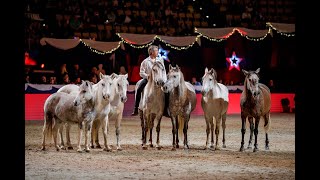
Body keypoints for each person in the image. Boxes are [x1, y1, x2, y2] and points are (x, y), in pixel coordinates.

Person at [132, 45, 169, 117]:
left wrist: (164, 80)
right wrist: (147, 76)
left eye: (157, 50)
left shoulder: (160, 60)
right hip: (148, 80)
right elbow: (141, 73)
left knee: (167, 91)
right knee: (139, 89)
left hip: (160, 79)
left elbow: (163, 71)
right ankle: (136, 108)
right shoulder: (145, 62)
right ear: (151, 52)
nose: (158, 52)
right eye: (156, 50)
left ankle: (165, 110)